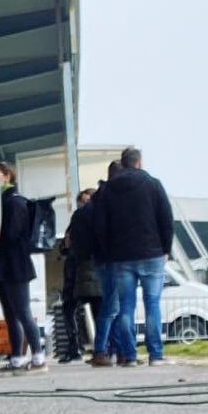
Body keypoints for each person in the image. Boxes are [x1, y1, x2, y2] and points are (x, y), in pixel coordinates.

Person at [95, 147, 175, 367]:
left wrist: (109, 251)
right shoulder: (153, 184)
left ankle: (130, 356)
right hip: (151, 253)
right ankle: (155, 354)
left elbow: (101, 225)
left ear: (123, 162)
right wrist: (166, 248)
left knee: (126, 307)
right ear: (139, 162)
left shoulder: (108, 189)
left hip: (121, 257)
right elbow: (166, 219)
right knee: (152, 304)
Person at [0, 162, 46, 375]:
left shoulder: (15, 202)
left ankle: (39, 357)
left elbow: (12, 234)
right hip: (3, 266)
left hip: (16, 265)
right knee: (10, 314)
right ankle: (17, 358)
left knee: (23, 311)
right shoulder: (0, 201)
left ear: (7, 176)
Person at [88, 161, 124, 367]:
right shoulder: (108, 196)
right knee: (111, 307)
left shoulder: (100, 195)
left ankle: (117, 350)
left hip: (103, 258)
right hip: (110, 258)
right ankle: (101, 350)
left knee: (114, 307)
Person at [58, 188, 98, 363]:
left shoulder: (91, 218)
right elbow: (65, 244)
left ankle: (98, 346)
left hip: (86, 269)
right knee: (69, 308)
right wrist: (66, 245)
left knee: (96, 308)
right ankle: (75, 346)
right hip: (74, 270)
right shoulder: (77, 218)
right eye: (81, 200)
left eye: (86, 200)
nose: (83, 204)